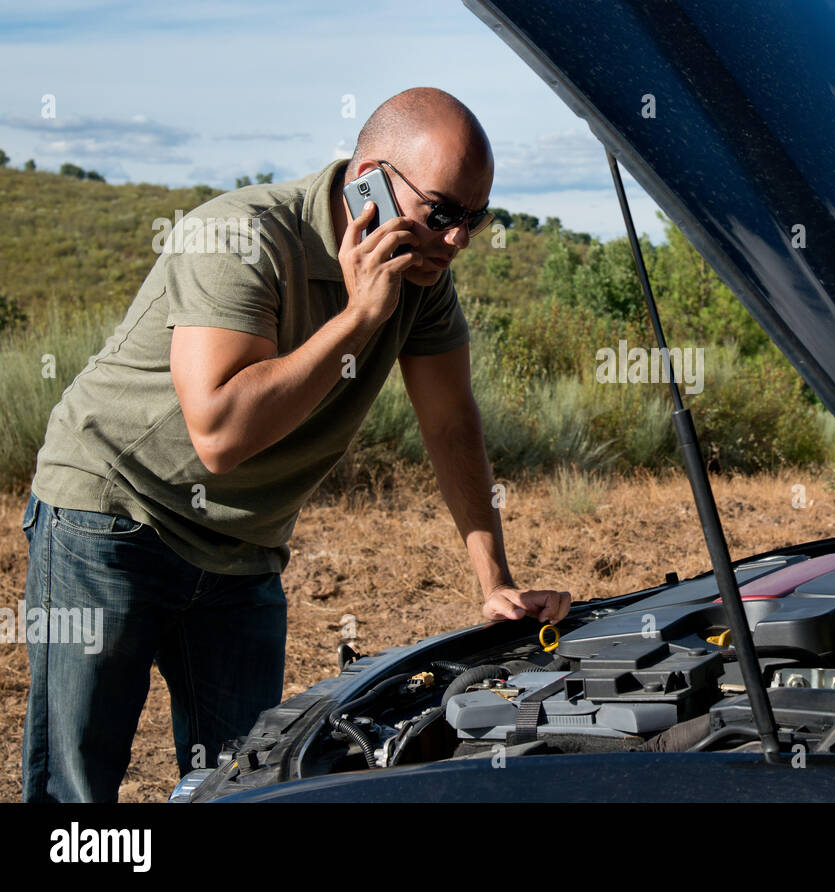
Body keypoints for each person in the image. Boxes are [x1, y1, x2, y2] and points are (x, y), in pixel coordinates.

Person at [21, 87, 570, 802]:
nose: (459, 239)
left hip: (243, 548)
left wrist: (493, 579)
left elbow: (450, 423)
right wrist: (361, 316)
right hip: (112, 514)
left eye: (476, 217)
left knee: (247, 781)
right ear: (369, 176)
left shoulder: (422, 272)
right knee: (77, 788)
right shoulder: (239, 237)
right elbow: (220, 434)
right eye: (442, 212)